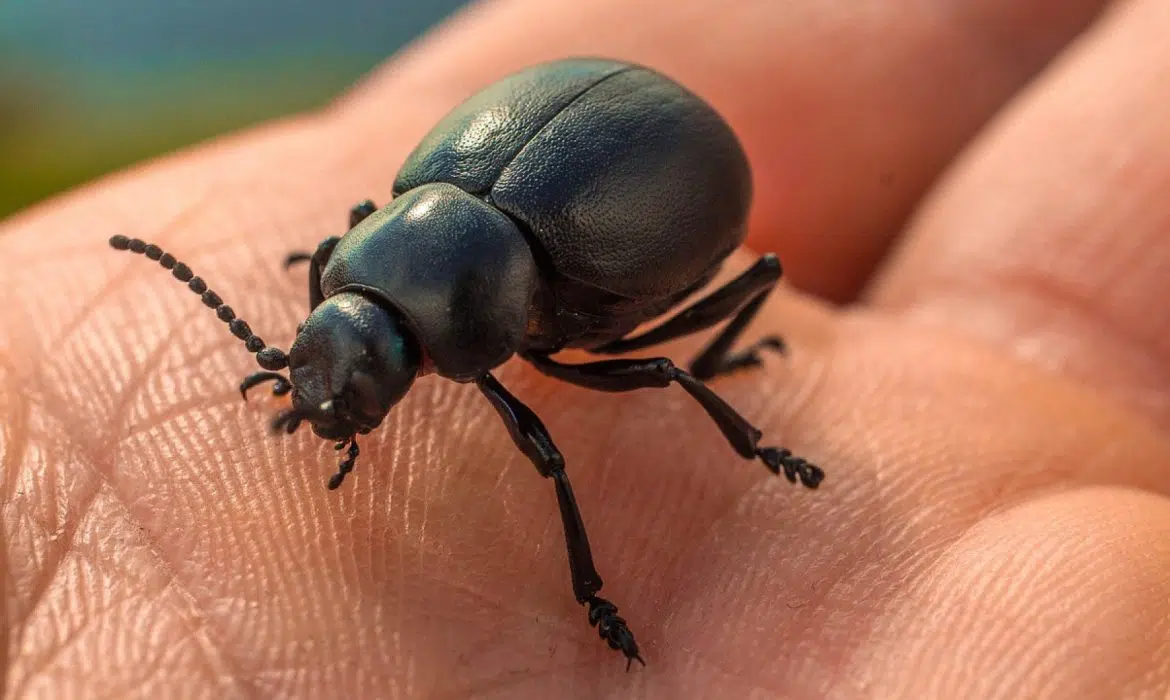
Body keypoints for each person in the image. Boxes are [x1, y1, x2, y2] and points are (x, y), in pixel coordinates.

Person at [4, 0, 1169, 697]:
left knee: (662, 369)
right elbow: (349, 258)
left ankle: (712, 478)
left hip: (637, 183)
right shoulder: (385, 242)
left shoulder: (501, 300)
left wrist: (741, 447)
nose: (331, 395)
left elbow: (689, 311)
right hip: (526, 179)